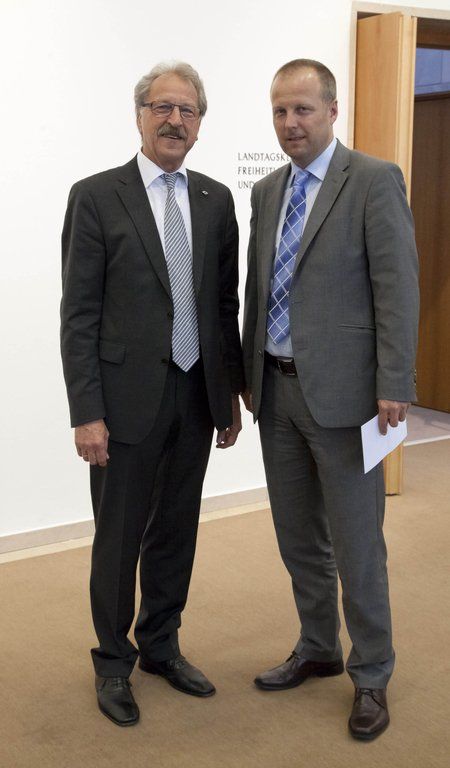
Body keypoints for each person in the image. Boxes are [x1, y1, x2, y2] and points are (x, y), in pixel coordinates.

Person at [60, 61, 244, 727]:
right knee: (118, 539)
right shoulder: (95, 196)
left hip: (195, 397)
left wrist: (228, 395)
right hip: (123, 404)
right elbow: (79, 314)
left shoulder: (215, 199)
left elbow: (223, 307)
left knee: (175, 531)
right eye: (162, 107)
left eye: (187, 110)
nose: (174, 120)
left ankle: (161, 645)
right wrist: (87, 412)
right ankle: (113, 662)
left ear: (200, 123)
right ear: (139, 115)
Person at [242, 59, 419, 741]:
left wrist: (394, 381)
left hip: (348, 399)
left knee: (356, 544)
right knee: (298, 538)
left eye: (303, 109)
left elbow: (396, 287)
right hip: (276, 392)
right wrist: (247, 371)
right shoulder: (267, 191)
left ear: (332, 110)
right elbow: (260, 288)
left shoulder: (372, 180)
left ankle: (371, 672)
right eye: (280, 111)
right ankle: (318, 645)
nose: (291, 123)